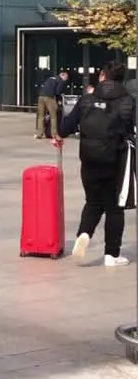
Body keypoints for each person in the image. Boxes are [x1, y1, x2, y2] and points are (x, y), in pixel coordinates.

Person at [54, 61, 135, 267]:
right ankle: (111, 255)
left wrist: (59, 135)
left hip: (89, 159)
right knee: (114, 207)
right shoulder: (128, 101)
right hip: (116, 160)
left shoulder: (86, 100)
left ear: (102, 77)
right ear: (122, 79)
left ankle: (84, 234)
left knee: (93, 201)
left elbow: (65, 127)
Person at [36, 70, 68, 139]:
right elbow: (57, 92)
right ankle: (54, 134)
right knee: (53, 116)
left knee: (41, 116)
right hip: (49, 98)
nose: (65, 80)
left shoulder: (50, 78)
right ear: (63, 76)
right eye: (66, 78)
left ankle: (39, 134)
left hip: (41, 97)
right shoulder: (60, 81)